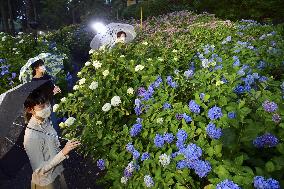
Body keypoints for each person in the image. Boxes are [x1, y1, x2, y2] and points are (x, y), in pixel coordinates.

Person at [24, 90, 80, 189]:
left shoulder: (45, 120)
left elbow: (51, 146)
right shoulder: (31, 136)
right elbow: (39, 170)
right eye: (41, 106)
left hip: (58, 172)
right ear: (30, 110)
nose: (47, 108)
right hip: (47, 182)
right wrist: (63, 152)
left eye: (48, 103)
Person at [31, 59, 61, 134]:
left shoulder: (46, 76)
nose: (43, 67)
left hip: (52, 101)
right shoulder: (34, 82)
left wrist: (55, 88)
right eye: (41, 65)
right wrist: (52, 93)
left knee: (55, 122)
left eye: (43, 64)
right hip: (45, 106)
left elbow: (52, 86)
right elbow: (39, 98)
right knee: (51, 124)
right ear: (35, 68)